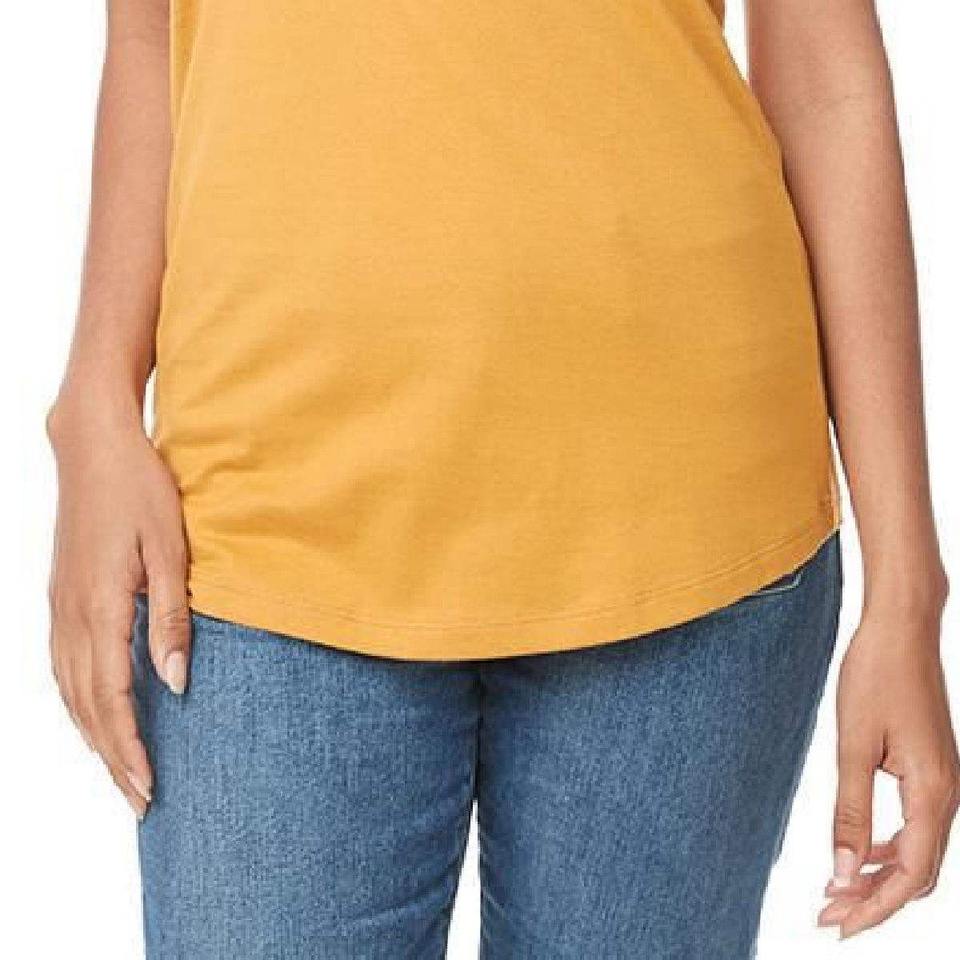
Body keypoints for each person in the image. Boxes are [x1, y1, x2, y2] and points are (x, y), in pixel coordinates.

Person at [47, 1, 959, 956]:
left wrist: (907, 588)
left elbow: (823, 67)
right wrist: (97, 398)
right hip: (263, 511)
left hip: (683, 511)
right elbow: (152, 33)